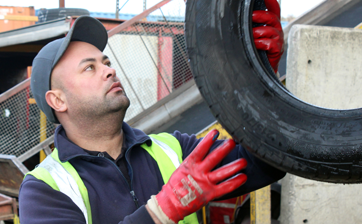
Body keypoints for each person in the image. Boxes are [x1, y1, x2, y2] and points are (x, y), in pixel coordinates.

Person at [19, 0, 285, 223]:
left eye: (106, 62)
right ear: (58, 100)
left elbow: (264, 164)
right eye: (90, 68)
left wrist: (260, 81)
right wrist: (161, 211)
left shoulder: (174, 150)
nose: (110, 71)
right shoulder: (45, 189)